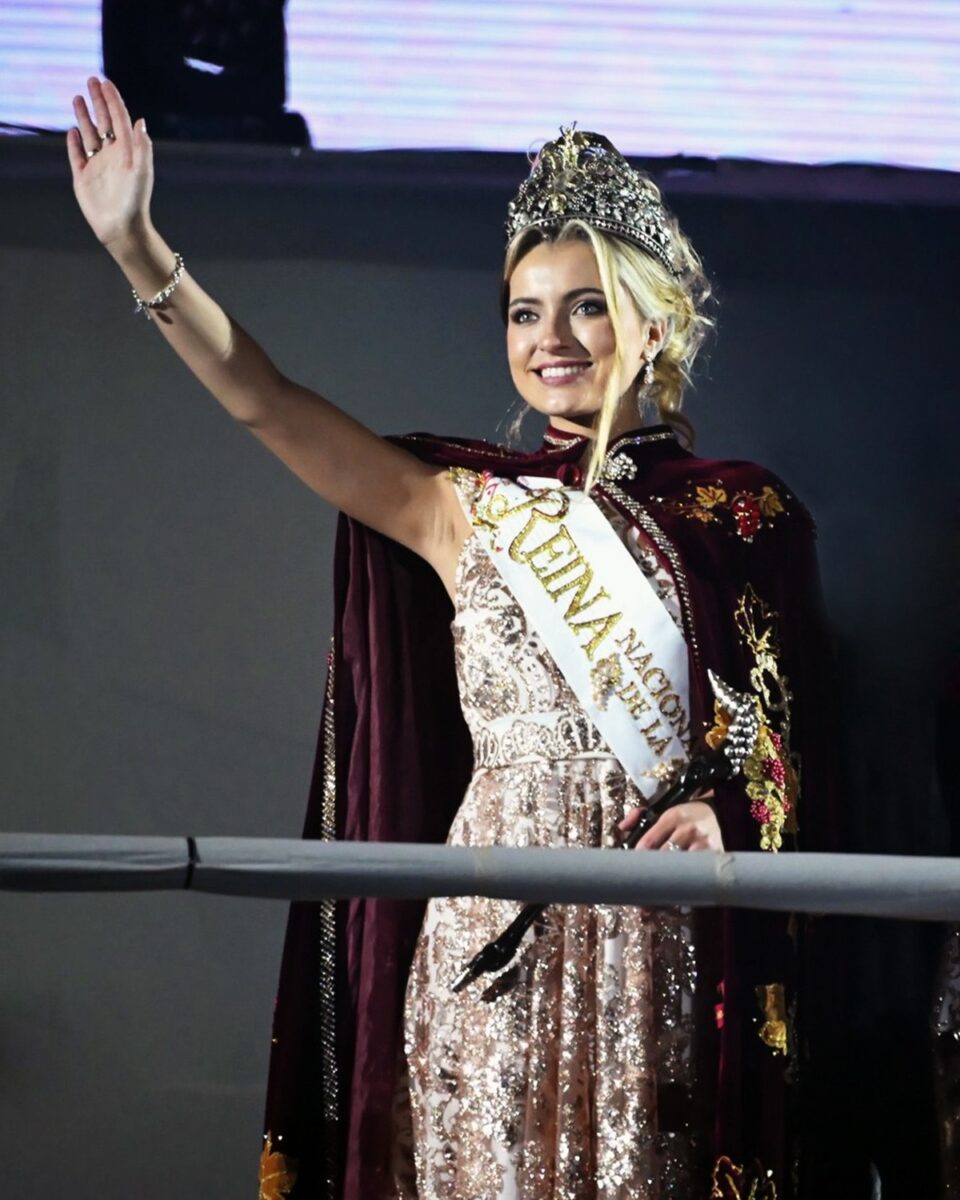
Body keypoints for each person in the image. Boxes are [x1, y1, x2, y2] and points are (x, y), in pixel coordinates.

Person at [68, 77, 844, 1199]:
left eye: (586, 306)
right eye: (525, 313)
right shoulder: (461, 507)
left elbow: (795, 737)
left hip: (654, 938)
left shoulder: (747, 517)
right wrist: (137, 247)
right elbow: (266, 402)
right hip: (490, 923)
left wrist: (729, 810)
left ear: (654, 325)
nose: (551, 339)